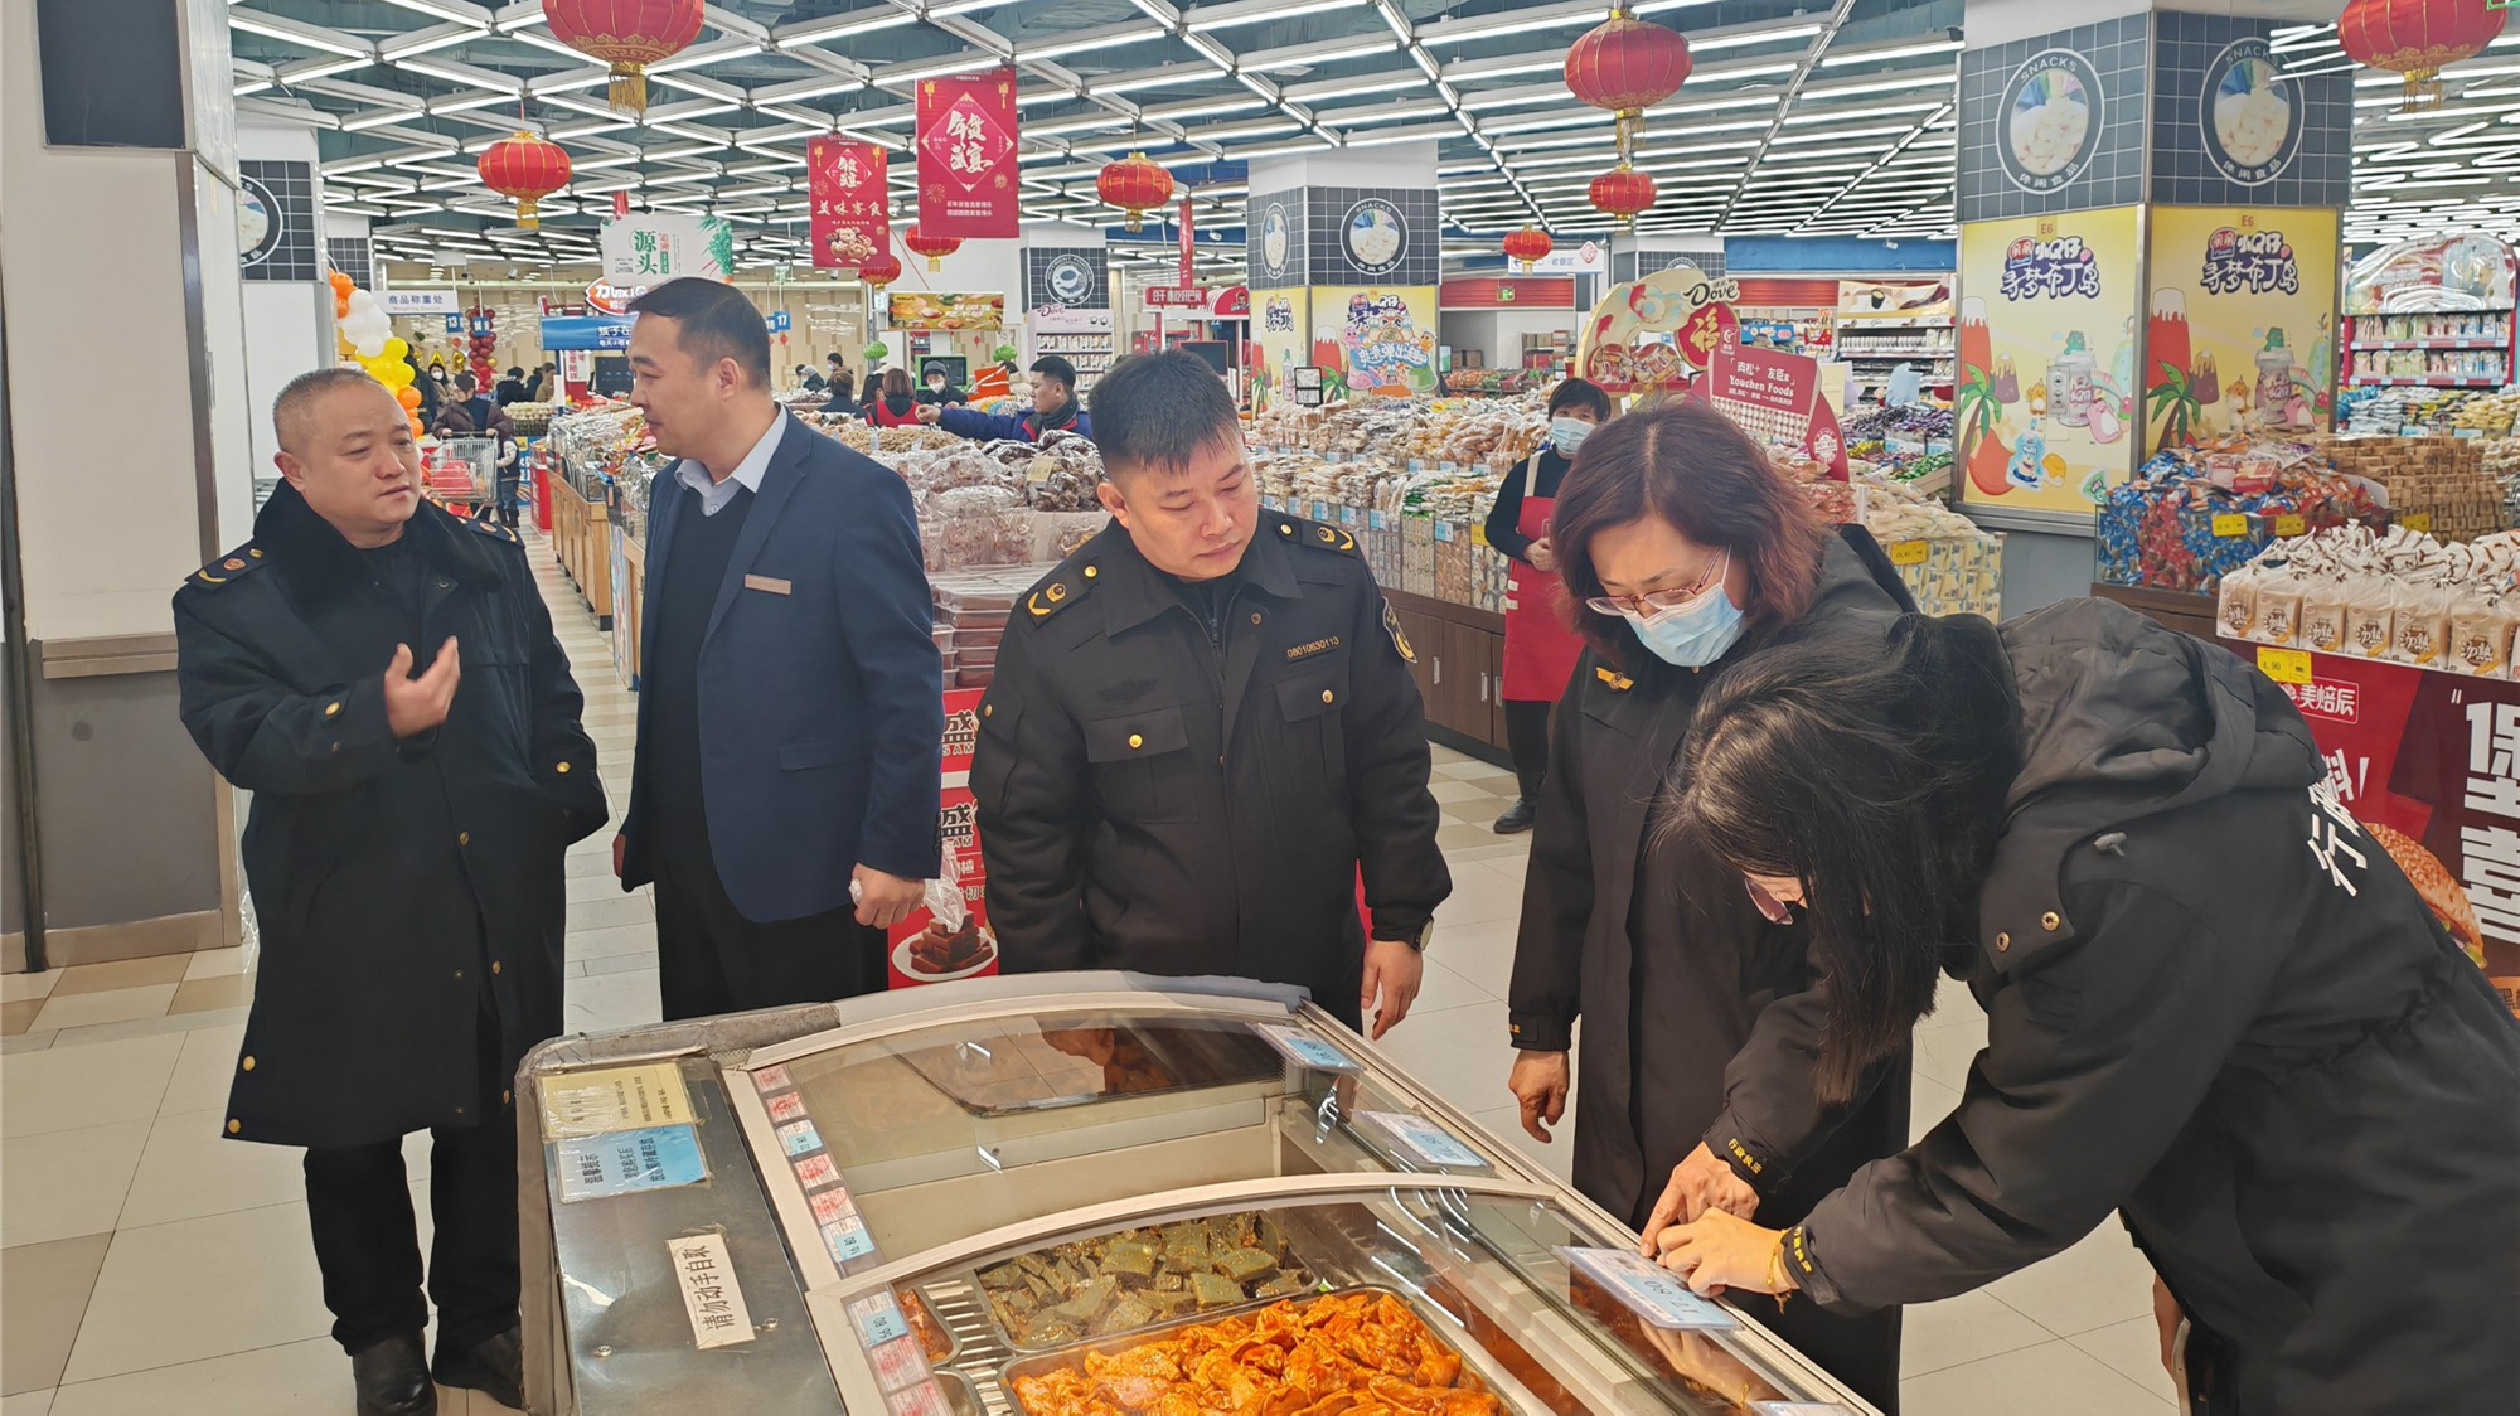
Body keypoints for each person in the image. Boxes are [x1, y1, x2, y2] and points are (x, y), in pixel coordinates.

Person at [1645, 602, 2520, 1415]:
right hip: (2342, 1135)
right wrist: (1742, 1144)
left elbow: (2021, 1166)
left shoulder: (2102, 878)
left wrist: (1793, 1256)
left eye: (1792, 896)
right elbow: (1869, 978)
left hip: (2401, 1232)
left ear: (1853, 844)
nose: (1799, 917)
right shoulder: (2007, 710)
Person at [172, 368, 607, 1416]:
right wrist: (377, 718)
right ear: (293, 469)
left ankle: (481, 1324)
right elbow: (240, 734)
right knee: (352, 1131)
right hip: (349, 905)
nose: (392, 464)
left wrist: (554, 806)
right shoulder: (236, 598)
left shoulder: (482, 561)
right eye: (358, 449)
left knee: (490, 1116)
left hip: (492, 890)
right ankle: (382, 1345)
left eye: (400, 440)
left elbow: (550, 692)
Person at [1502, 400, 1915, 1409]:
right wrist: (1542, 1023)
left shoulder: (1847, 672)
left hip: (1785, 1106)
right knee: (1628, 1357)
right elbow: (1569, 846)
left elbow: (1862, 968)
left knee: (1772, 1370)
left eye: (1678, 587)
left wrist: (1745, 1144)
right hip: (1628, 1081)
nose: (1654, 615)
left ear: (1751, 539)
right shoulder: (1620, 643)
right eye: (1621, 594)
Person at [974, 351, 1451, 1036]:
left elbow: (1391, 760)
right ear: (1117, 504)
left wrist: (1402, 923)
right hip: (1146, 1000)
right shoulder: (1062, 629)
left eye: (1234, 484)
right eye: (1179, 504)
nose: (1220, 521)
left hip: (1316, 977)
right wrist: (1064, 1000)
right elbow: (1025, 831)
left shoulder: (1328, 581)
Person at [612, 277, 942, 1020]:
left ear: (724, 375)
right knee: (703, 1057)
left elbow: (905, 686)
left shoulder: (852, 497)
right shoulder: (671, 493)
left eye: (648, 374)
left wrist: (897, 848)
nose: (636, 396)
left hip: (806, 868)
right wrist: (645, 816)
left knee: (811, 1076)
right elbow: (671, 673)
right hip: (688, 860)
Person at [1481, 378, 1613, 834]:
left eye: (1584, 417)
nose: (1572, 424)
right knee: (1524, 701)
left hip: (1589, 606)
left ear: (1601, 425)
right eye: (1565, 414)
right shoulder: (1528, 472)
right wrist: (1525, 549)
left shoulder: (1609, 475)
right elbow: (1495, 528)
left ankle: (1587, 798)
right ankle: (1532, 796)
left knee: (1590, 702)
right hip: (1533, 607)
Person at [923, 355, 1094, 443]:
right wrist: (942, 415)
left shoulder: (1087, 431)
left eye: (1036, 386)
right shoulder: (1027, 422)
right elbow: (985, 424)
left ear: (1058, 389)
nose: (1031, 393)